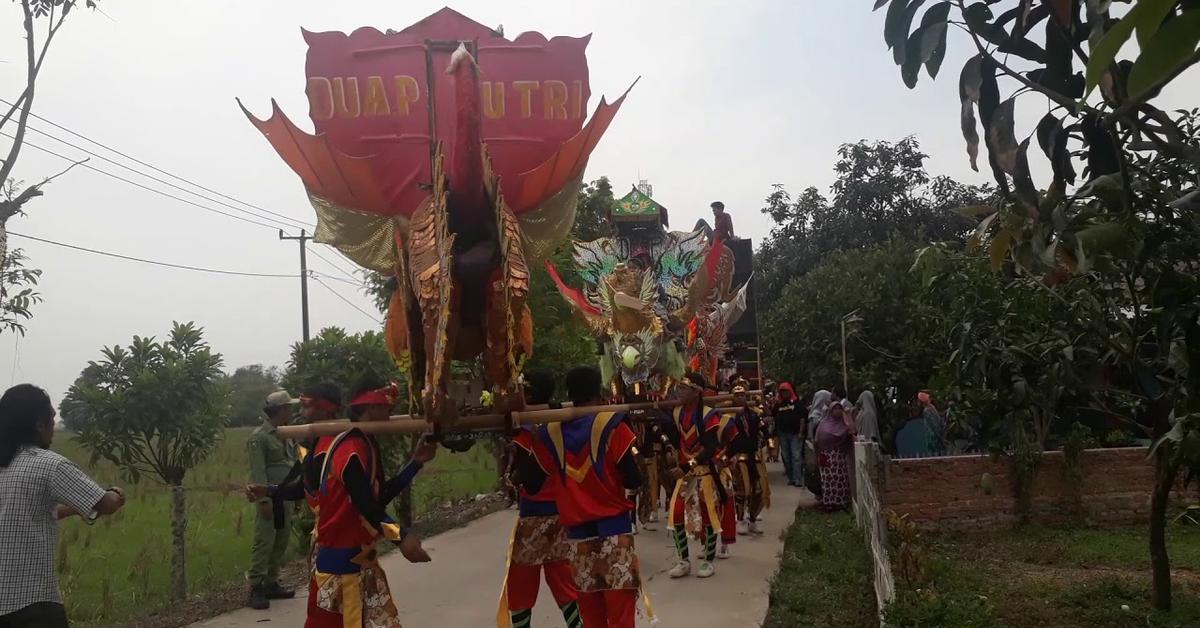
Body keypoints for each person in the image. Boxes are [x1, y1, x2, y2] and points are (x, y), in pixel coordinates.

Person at [253, 381, 436, 628]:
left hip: (356, 562)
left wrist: (415, 463)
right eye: (388, 407)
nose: (391, 414)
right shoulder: (342, 447)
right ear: (371, 407)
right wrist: (399, 536)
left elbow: (373, 499)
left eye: (307, 406)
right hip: (341, 567)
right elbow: (361, 503)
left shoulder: (357, 443)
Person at [0, 384, 126, 627]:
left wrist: (74, 509)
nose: (54, 425)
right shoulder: (49, 465)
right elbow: (106, 504)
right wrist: (116, 493)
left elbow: (23, 513)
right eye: (52, 417)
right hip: (31, 603)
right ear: (39, 424)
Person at [530, 366, 645, 628]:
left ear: (570, 393)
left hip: (578, 540)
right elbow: (633, 479)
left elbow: (534, 482)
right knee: (621, 617)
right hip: (614, 535)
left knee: (592, 618)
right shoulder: (613, 424)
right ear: (599, 392)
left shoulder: (552, 432)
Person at [498, 371, 582, 628]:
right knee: (565, 583)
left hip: (534, 517)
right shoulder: (560, 422)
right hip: (561, 515)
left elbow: (532, 484)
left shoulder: (525, 429)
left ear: (528, 395)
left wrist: (515, 435)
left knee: (522, 585)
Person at [661, 373, 725, 579]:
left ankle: (708, 560)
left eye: (684, 388)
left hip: (703, 472)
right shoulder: (677, 412)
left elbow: (710, 448)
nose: (679, 391)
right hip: (686, 474)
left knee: (708, 516)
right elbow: (668, 432)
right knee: (677, 515)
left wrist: (687, 466)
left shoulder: (709, 415)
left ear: (696, 392)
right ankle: (684, 560)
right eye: (679, 387)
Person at [246, 390, 301, 610]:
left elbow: (293, 465)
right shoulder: (259, 438)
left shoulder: (287, 434)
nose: (291, 411)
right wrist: (263, 501)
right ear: (279, 410)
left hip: (285, 496)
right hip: (269, 497)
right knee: (264, 541)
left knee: (281, 540)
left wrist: (297, 497)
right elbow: (258, 472)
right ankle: (256, 587)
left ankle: (271, 581)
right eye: (288, 407)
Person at [729, 386, 770, 535]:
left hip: (754, 456)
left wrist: (769, 443)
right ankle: (739, 520)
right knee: (743, 491)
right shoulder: (728, 416)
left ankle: (752, 519)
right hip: (738, 457)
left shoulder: (753, 414)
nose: (741, 398)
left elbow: (763, 430)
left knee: (760, 490)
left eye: (743, 395)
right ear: (732, 398)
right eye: (737, 395)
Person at [815, 402, 854, 512]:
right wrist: (816, 455)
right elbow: (817, 440)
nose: (837, 411)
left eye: (839, 409)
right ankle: (829, 503)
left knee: (840, 480)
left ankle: (841, 503)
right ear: (830, 411)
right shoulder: (823, 424)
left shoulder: (844, 425)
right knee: (828, 480)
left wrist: (848, 416)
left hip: (839, 457)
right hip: (826, 456)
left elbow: (852, 431)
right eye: (835, 409)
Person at [772, 383, 805, 487]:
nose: (784, 393)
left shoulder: (797, 403)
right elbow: (772, 414)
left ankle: (798, 479)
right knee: (786, 457)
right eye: (782, 392)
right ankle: (791, 478)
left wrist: (801, 432)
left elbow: (802, 418)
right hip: (783, 434)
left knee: (796, 456)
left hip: (795, 434)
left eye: (786, 391)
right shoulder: (779, 404)